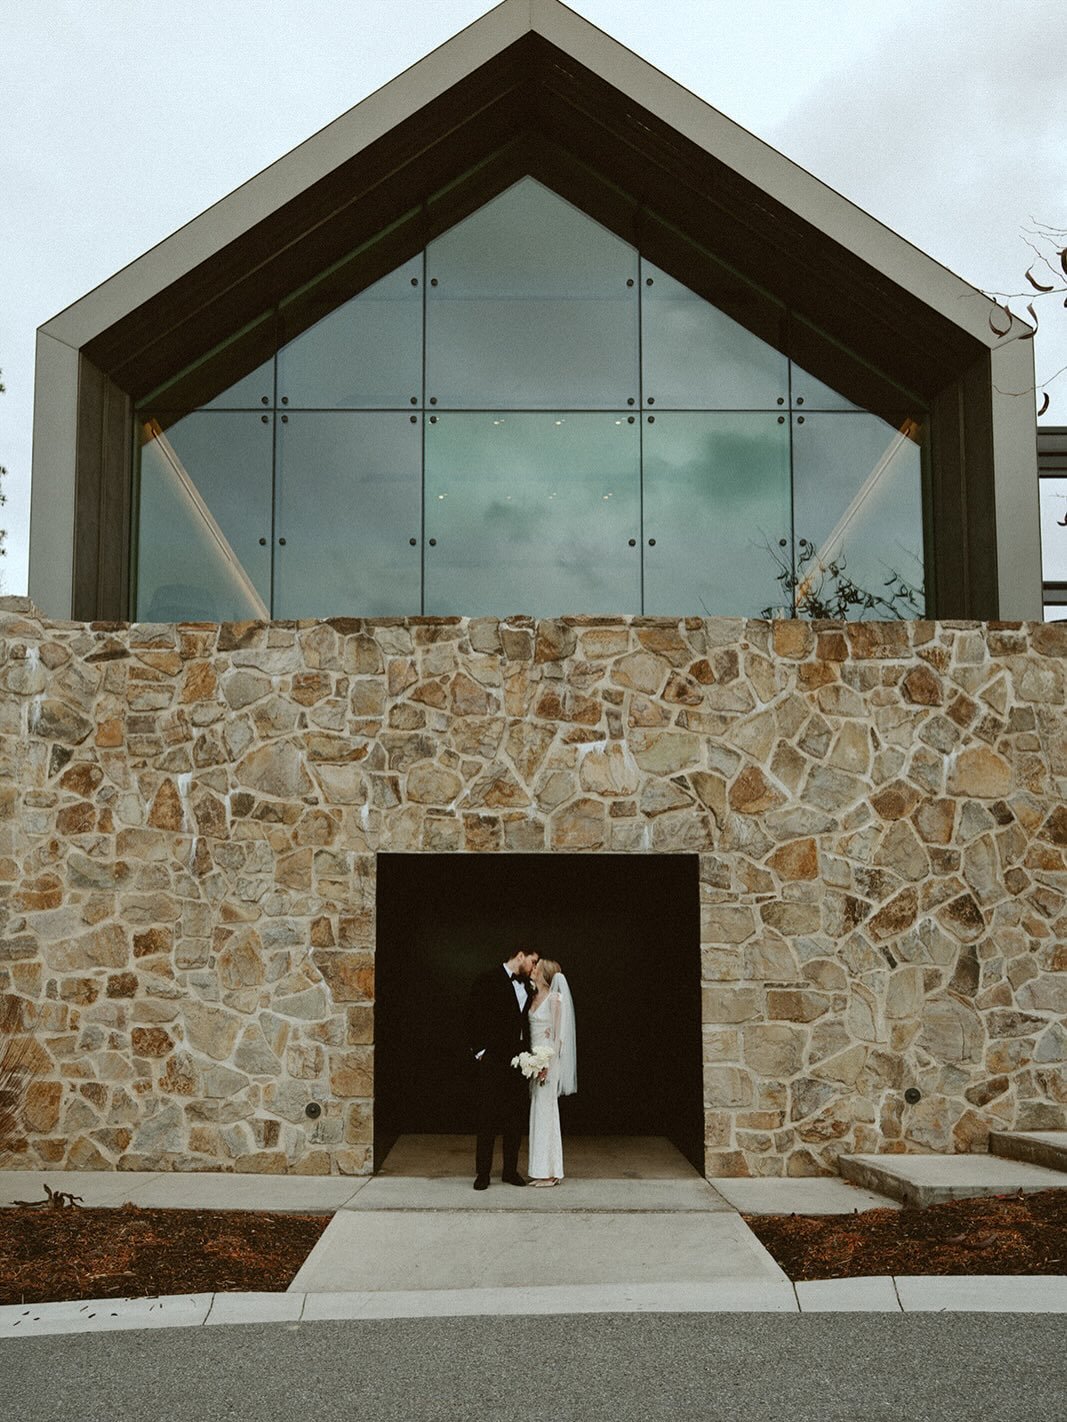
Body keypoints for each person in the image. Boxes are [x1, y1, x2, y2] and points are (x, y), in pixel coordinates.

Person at [467, 949, 539, 1191]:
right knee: (487, 1117)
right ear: (520, 956)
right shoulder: (487, 979)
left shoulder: (529, 986)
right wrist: (480, 1052)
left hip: (519, 1061)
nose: (533, 967)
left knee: (514, 1117)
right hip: (494, 1060)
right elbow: (472, 1014)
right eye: (532, 961)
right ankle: (483, 1173)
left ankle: (510, 1170)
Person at [525, 958, 577, 1187]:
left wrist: (547, 1063)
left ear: (545, 974)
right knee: (538, 1112)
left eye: (536, 968)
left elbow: (558, 1037)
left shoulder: (555, 999)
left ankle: (552, 1171)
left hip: (548, 1063)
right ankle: (540, 1168)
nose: (532, 969)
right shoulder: (534, 997)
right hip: (534, 1063)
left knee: (546, 1113)